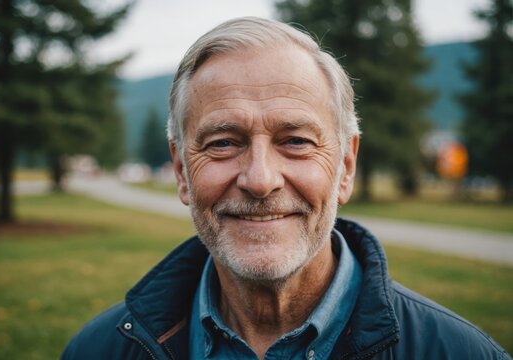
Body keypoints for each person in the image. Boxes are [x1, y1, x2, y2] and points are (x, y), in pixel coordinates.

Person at [62, 17, 510, 360]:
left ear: (346, 165)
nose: (260, 180)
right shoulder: (97, 350)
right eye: (223, 143)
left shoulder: (459, 352)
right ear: (181, 170)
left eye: (295, 141)